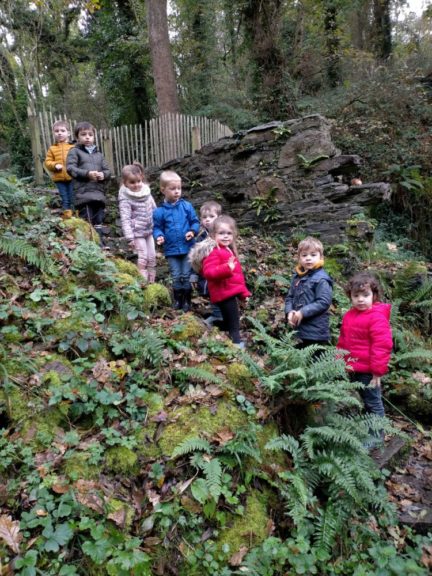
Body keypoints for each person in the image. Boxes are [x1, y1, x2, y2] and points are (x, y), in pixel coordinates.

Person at [337, 272, 392, 448]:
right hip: (352, 368)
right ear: (350, 297)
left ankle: (376, 434)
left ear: (374, 296)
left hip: (369, 371)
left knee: (373, 402)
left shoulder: (376, 316)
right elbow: (343, 341)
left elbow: (382, 345)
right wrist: (339, 360)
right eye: (356, 296)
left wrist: (377, 372)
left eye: (365, 295)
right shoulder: (349, 316)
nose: (361, 299)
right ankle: (368, 429)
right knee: (364, 400)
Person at [153, 171, 200, 311]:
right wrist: (159, 236)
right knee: (175, 275)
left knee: (185, 275)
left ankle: (187, 301)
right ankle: (177, 300)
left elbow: (195, 222)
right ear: (163, 190)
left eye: (179, 188)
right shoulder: (159, 212)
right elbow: (157, 228)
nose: (176, 192)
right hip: (171, 250)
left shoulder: (187, 206)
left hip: (187, 248)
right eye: (172, 189)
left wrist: (192, 231)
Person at [201, 215, 251, 347]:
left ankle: (215, 326)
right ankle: (236, 343)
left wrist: (243, 294)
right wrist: (226, 268)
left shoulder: (228, 250)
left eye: (229, 233)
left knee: (229, 319)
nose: (226, 236)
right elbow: (209, 272)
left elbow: (237, 279)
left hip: (228, 292)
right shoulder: (213, 252)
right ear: (213, 235)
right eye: (221, 233)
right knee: (234, 320)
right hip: (223, 293)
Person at [66, 121, 111, 242]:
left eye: (90, 134)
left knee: (99, 220)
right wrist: (87, 174)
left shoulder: (99, 155)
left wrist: (103, 175)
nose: (87, 137)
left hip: (99, 193)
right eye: (83, 134)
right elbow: (70, 169)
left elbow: (108, 171)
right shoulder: (74, 152)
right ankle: (89, 245)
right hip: (83, 194)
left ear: (94, 137)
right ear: (77, 137)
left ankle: (100, 243)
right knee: (87, 219)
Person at [284, 237, 333, 347]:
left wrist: (302, 312)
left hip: (316, 333)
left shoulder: (322, 279)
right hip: (298, 330)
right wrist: (289, 311)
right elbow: (289, 297)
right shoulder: (297, 277)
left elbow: (324, 302)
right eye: (304, 255)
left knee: (315, 362)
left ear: (321, 257)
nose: (308, 258)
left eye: (313, 255)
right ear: (299, 258)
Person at [118, 162, 157, 282]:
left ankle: (152, 282)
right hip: (137, 232)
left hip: (149, 230)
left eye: (139, 181)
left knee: (152, 257)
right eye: (132, 182)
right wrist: (130, 238)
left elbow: (155, 209)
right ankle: (143, 281)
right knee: (143, 256)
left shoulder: (146, 192)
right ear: (125, 183)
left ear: (142, 179)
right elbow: (125, 218)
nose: (136, 185)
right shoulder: (125, 198)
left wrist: (159, 224)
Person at [189, 201, 224, 326]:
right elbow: (195, 258)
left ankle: (219, 316)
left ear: (219, 218)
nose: (207, 220)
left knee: (221, 294)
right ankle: (217, 315)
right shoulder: (200, 237)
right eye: (204, 217)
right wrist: (194, 274)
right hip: (206, 274)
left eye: (211, 217)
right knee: (212, 294)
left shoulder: (223, 235)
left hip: (221, 272)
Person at [44, 120, 75, 219]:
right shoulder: (52, 148)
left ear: (68, 133)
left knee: (73, 197)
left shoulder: (73, 147)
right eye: (57, 131)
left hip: (72, 177)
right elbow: (47, 162)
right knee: (65, 199)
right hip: (59, 179)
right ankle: (67, 218)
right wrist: (55, 165)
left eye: (62, 130)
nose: (59, 133)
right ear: (54, 133)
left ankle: (76, 218)